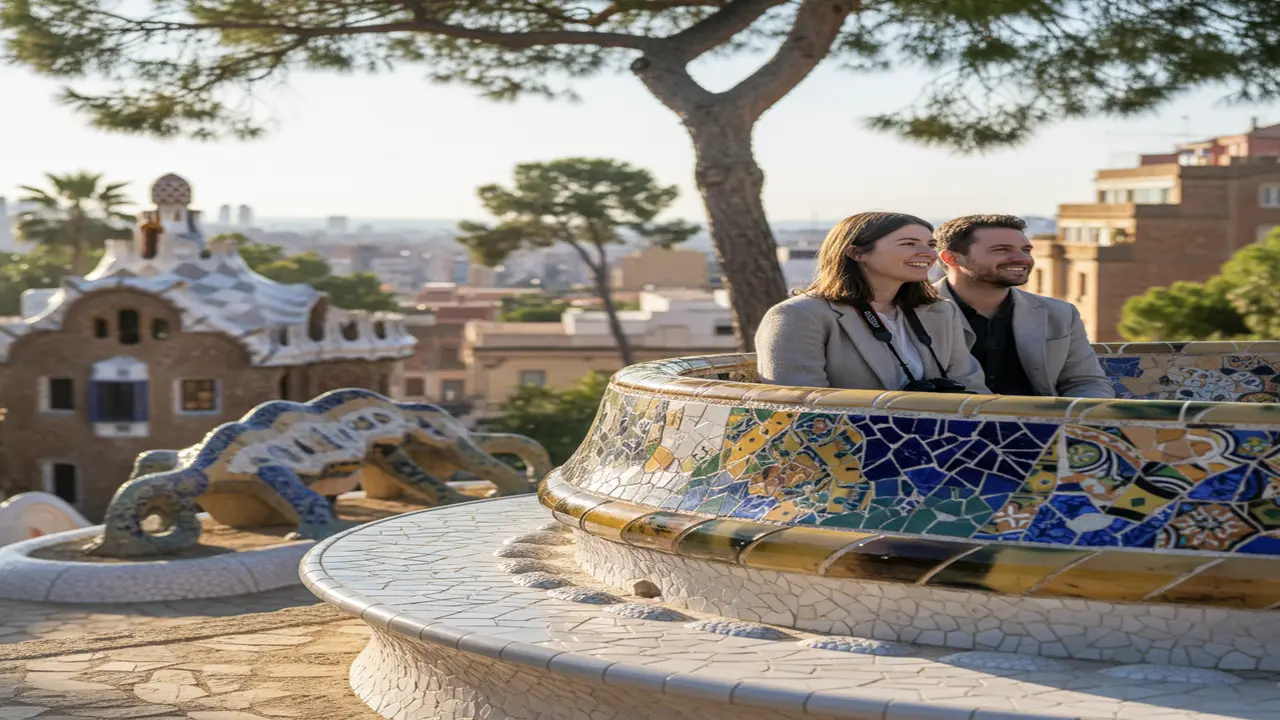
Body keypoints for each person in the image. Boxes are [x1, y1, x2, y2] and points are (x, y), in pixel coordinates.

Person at [756, 212, 989, 393]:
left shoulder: (941, 311)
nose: (928, 254)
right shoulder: (798, 315)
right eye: (909, 243)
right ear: (857, 253)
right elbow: (799, 406)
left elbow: (972, 388)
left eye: (930, 245)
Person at [933, 214, 1114, 398]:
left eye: (1026, 250)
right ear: (951, 258)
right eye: (1002, 250)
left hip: (1044, 415)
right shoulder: (917, 311)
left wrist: (1079, 413)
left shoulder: (1059, 313)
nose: (1022, 258)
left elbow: (1086, 381)